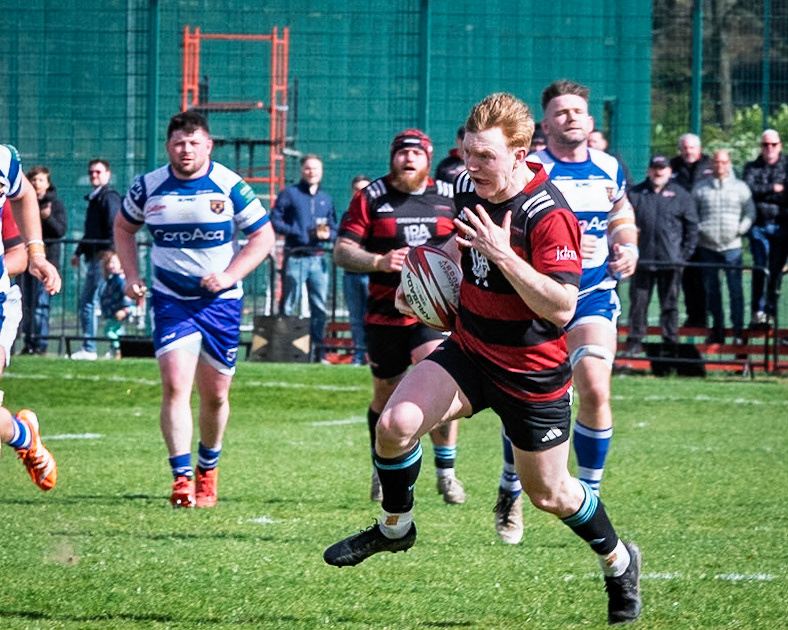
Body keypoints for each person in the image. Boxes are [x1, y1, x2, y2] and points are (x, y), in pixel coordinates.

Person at [323, 94, 642, 626]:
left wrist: (503, 254)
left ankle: (620, 561)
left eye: (486, 157)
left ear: (520, 154)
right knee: (396, 423)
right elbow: (456, 249)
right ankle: (395, 529)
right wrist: (418, 282)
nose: (472, 167)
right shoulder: (473, 188)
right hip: (471, 350)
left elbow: (562, 307)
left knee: (551, 494)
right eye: (469, 153)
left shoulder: (550, 214)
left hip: (530, 372)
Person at [494, 80, 639, 546]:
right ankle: (510, 486)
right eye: (561, 112)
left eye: (578, 111)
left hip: (593, 294)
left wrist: (627, 244)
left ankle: (589, 494)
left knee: (595, 388)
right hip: (539, 299)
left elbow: (621, 211)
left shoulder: (609, 167)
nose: (571, 117)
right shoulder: (533, 169)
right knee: (525, 400)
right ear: (545, 124)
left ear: (591, 121)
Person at [114, 110, 275, 508]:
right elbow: (123, 227)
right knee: (174, 385)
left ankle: (208, 469)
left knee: (216, 395)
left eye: (193, 142)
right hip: (171, 300)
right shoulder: (148, 187)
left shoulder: (229, 184)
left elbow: (263, 236)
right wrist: (130, 275)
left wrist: (229, 274)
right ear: (168, 146)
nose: (185, 150)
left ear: (208, 145)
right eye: (178, 143)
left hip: (220, 303)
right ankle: (182, 478)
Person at [333, 129, 466, 505]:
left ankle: (447, 473)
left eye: (416, 153)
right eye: (402, 153)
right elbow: (342, 252)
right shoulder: (371, 198)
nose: (408, 159)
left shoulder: (449, 195)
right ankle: (382, 465)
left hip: (434, 313)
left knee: (440, 379)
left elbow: (470, 240)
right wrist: (378, 260)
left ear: (429, 157)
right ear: (392, 157)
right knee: (386, 392)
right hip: (385, 312)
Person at [0, 143, 62, 491]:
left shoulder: (3, 160)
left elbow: (23, 194)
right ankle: (25, 436)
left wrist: (37, 254)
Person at [625, 155, 698, 355]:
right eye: (655, 168)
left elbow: (692, 229)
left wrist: (683, 257)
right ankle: (634, 344)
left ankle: (670, 346)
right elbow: (624, 222)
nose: (658, 172)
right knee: (638, 306)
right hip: (642, 261)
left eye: (662, 168)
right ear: (649, 170)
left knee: (670, 305)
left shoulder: (681, 195)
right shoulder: (635, 193)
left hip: (671, 262)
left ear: (669, 171)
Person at [271, 154, 337, 362]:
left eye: (316, 169)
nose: (312, 172)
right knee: (289, 304)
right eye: (308, 168)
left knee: (319, 307)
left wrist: (328, 235)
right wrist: (295, 231)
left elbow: (335, 227)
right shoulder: (289, 194)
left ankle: (318, 352)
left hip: (318, 259)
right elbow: (274, 219)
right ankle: (284, 351)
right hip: (296, 256)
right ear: (302, 170)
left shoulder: (326, 199)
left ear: (321, 172)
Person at [693, 149, 755, 345]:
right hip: (707, 247)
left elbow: (750, 212)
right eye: (716, 162)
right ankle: (717, 330)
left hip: (732, 247)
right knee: (712, 291)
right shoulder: (701, 188)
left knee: (736, 290)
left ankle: (738, 332)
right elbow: (692, 214)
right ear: (711, 164)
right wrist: (701, 229)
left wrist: (740, 229)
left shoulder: (741, 187)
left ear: (729, 164)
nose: (720, 166)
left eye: (723, 162)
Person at [70, 159, 122, 360]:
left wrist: (112, 255)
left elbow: (114, 227)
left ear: (107, 174)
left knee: (92, 303)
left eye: (98, 172)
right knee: (95, 303)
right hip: (94, 257)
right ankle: (107, 348)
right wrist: (78, 251)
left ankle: (92, 348)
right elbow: (91, 231)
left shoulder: (108, 198)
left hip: (103, 258)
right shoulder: (95, 199)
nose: (94, 175)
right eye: (91, 172)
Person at [19, 165, 67, 355]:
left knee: (41, 303)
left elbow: (60, 231)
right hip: (25, 258)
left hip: (46, 261)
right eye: (33, 180)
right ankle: (28, 343)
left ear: (47, 183)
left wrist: (46, 218)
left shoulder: (54, 205)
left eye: (40, 180)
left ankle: (41, 343)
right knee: (26, 303)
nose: (36, 183)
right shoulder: (22, 202)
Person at [742, 130, 786, 327]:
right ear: (761, 147)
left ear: (780, 146)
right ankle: (757, 311)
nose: (770, 148)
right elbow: (749, 190)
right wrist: (773, 189)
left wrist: (766, 193)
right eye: (766, 145)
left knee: (775, 271)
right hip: (758, 226)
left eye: (774, 144)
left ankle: (770, 311)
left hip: (781, 226)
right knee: (760, 267)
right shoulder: (751, 167)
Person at [670, 133, 714, 328]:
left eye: (692, 148)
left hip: (704, 230)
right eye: (685, 148)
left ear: (700, 149)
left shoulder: (710, 166)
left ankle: (707, 316)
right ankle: (693, 316)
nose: (689, 151)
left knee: (705, 276)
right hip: (679, 230)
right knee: (686, 277)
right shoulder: (671, 167)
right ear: (680, 150)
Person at [342, 175, 371, 365]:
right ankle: (358, 355)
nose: (360, 194)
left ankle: (373, 356)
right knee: (355, 318)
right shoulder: (348, 216)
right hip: (351, 275)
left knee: (373, 318)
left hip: (372, 275)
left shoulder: (378, 214)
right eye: (357, 190)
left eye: (364, 190)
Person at [98, 250, 133, 359]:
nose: (110, 266)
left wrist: (125, 309)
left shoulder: (121, 280)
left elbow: (126, 294)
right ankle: (115, 350)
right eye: (108, 263)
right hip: (112, 312)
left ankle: (118, 350)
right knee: (114, 331)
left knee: (111, 331)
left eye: (113, 263)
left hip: (119, 311)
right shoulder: (110, 280)